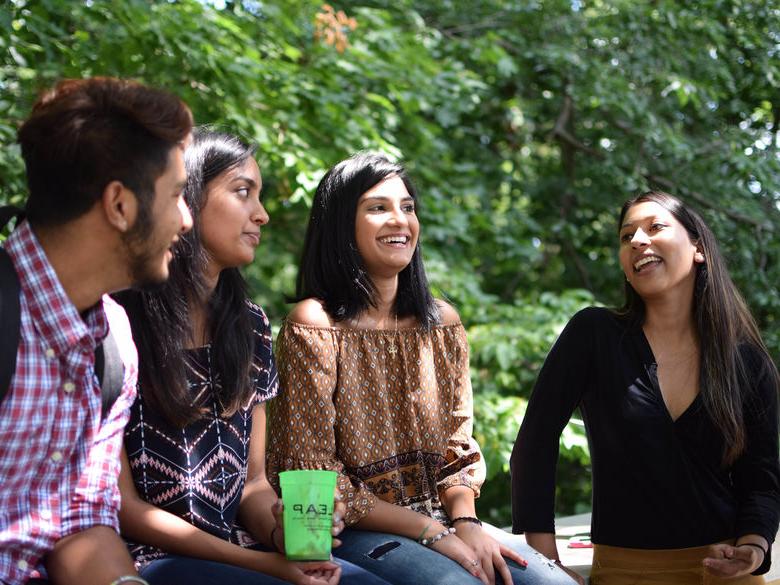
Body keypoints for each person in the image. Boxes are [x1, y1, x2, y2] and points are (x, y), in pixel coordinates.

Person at [266, 152, 575, 585]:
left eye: (407, 207)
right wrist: (432, 533)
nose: (399, 220)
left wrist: (465, 524)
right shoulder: (315, 324)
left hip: (442, 520)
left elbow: (457, 446)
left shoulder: (442, 324)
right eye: (378, 208)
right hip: (353, 530)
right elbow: (312, 471)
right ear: (341, 225)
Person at [112, 130, 389, 585]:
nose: (261, 214)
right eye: (243, 192)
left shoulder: (250, 325)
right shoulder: (120, 323)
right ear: (185, 199)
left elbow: (253, 486)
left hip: (239, 548)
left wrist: (283, 531)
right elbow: (126, 509)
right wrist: (263, 563)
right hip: (150, 559)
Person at [511, 191, 780, 584]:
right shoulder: (593, 334)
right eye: (626, 236)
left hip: (726, 572)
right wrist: (545, 562)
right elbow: (534, 444)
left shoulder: (747, 361)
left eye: (654, 227)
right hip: (625, 571)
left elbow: (763, 480)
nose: (637, 241)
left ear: (698, 249)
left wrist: (753, 549)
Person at [0, 77, 193, 585]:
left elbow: (81, 523)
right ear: (120, 205)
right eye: (176, 195)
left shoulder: (114, 342)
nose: (186, 220)